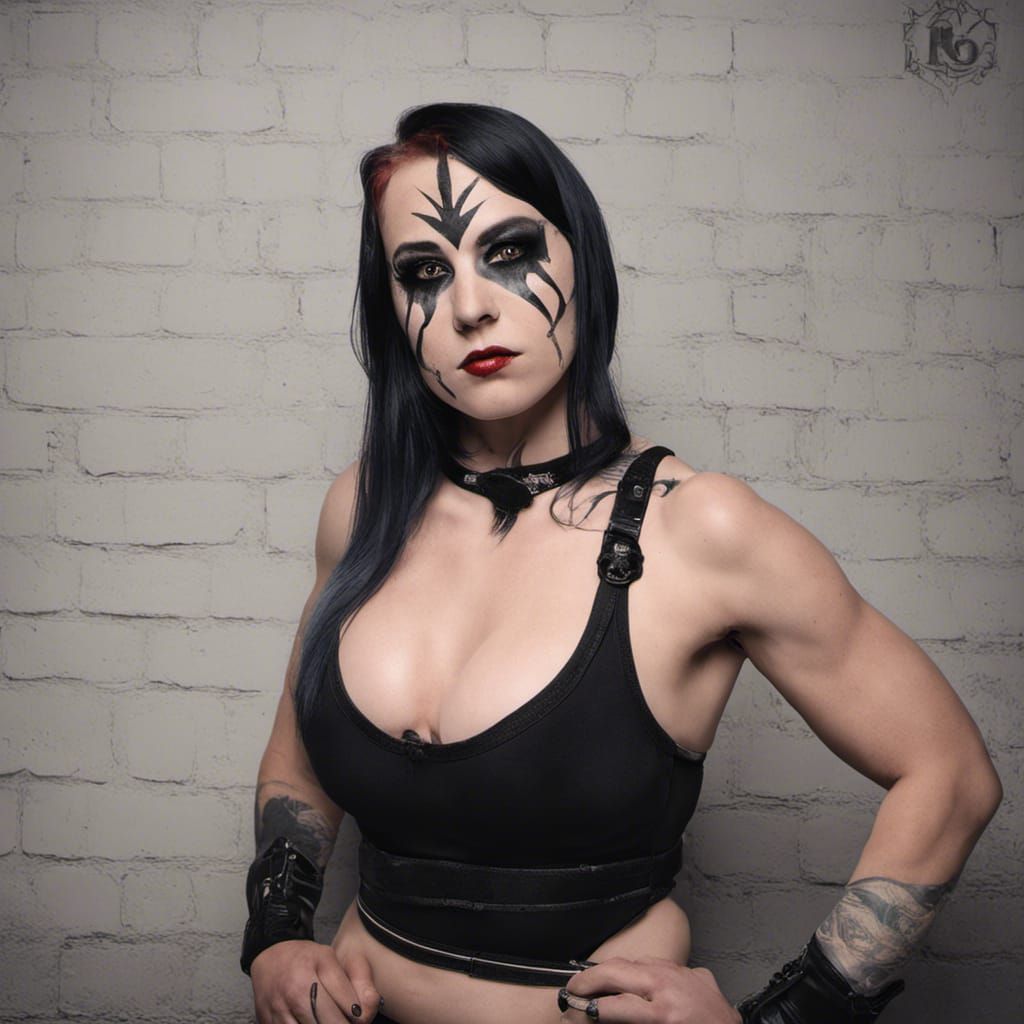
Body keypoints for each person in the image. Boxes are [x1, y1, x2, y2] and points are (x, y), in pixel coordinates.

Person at [239, 103, 1002, 1024]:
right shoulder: (364, 508)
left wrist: (792, 1015)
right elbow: (297, 765)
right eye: (425, 272)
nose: (470, 305)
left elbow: (950, 774)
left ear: (582, 260)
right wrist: (275, 935)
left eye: (508, 251)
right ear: (393, 308)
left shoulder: (697, 528)